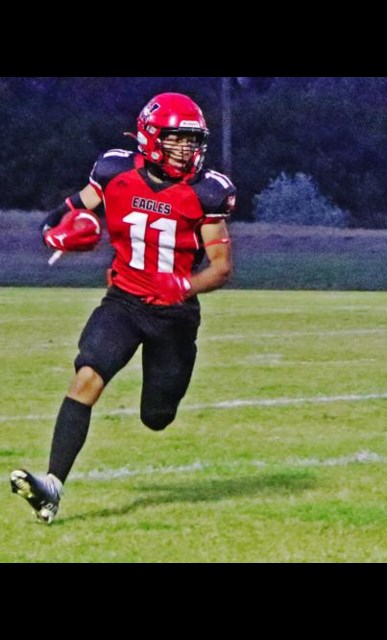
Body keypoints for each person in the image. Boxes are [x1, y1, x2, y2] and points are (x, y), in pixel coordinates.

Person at [10, 92, 235, 524]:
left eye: (193, 141)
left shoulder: (208, 191)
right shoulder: (113, 171)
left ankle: (161, 399)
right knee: (87, 376)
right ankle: (52, 487)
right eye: (177, 140)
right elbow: (61, 216)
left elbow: (221, 267)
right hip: (124, 301)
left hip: (175, 314)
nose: (188, 150)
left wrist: (185, 285)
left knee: (156, 417)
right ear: (151, 138)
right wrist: (57, 236)